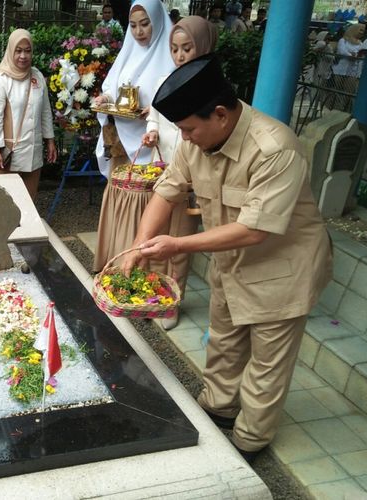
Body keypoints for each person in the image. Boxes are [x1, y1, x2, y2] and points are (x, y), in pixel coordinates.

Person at [121, 54, 333, 463]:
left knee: (266, 366)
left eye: (188, 129)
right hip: (231, 262)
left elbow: (256, 229)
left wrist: (177, 245)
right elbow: (168, 190)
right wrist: (139, 244)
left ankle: (250, 442)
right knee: (224, 343)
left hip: (281, 270)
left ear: (220, 114)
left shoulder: (274, 149)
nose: (183, 139)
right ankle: (217, 407)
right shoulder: (197, 141)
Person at [137, 15, 217, 330]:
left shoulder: (214, 90)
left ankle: (172, 302)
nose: (180, 55)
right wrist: (153, 129)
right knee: (155, 235)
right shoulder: (165, 79)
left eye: (188, 48)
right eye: (175, 49)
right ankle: (151, 294)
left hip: (195, 176)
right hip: (166, 166)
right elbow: (155, 113)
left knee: (181, 239)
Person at [91, 0, 175, 269]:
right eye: (134, 25)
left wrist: (157, 110)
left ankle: (141, 269)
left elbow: (179, 101)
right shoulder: (127, 55)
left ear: (158, 22)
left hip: (153, 148)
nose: (139, 32)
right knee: (121, 200)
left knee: (146, 207)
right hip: (122, 146)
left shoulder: (172, 57)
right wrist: (105, 99)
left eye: (145, 24)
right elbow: (112, 88)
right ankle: (113, 262)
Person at [0, 29, 57, 200]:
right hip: (8, 155)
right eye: (18, 50)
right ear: (11, 51)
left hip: (33, 152)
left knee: (28, 205)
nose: (23, 56)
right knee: (5, 207)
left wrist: (50, 140)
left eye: (27, 50)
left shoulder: (37, 75)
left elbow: (45, 111)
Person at [332, 23, 365, 109]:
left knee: (348, 91)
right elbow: (342, 51)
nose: (362, 32)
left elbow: (361, 54)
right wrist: (351, 55)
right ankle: (335, 106)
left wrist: (356, 55)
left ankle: (344, 107)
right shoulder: (343, 40)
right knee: (337, 89)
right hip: (340, 70)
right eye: (360, 30)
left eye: (363, 31)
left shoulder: (360, 43)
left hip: (354, 71)